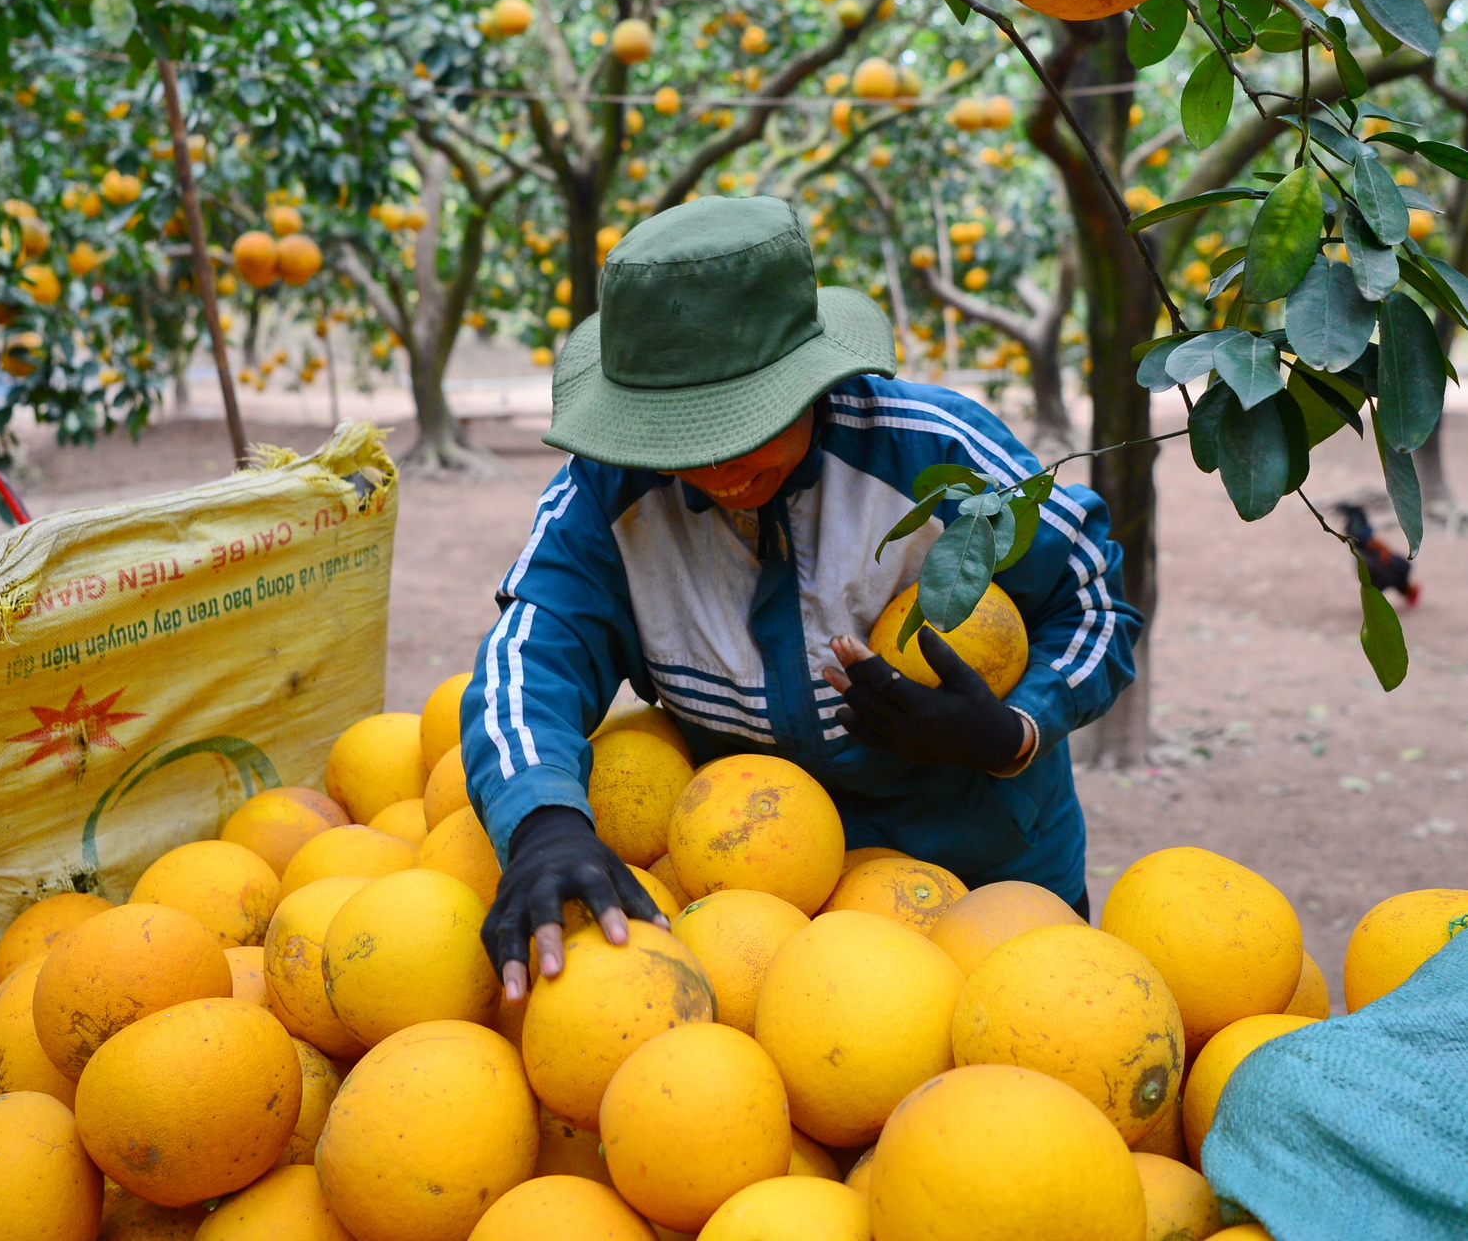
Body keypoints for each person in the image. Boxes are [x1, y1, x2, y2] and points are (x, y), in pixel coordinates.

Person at [461, 196, 1142, 1001]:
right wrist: (542, 821)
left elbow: (1094, 604)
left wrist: (1011, 731)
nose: (721, 470)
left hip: (992, 876)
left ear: (809, 381)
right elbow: (527, 660)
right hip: (762, 902)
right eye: (684, 440)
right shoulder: (606, 501)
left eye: (747, 429)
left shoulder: (938, 458)